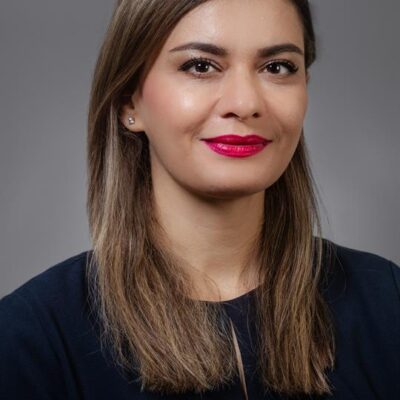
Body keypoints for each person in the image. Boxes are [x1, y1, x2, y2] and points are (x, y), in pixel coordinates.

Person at [0, 0, 399, 399]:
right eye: (200, 66)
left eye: (277, 67)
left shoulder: (387, 301)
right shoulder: (29, 338)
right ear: (129, 101)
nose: (245, 104)